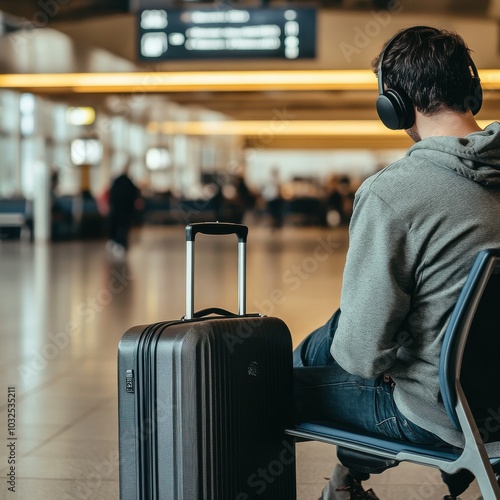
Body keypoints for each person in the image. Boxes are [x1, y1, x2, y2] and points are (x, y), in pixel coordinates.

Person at [293, 26, 500, 500]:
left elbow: (363, 356)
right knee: (336, 334)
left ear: (395, 105)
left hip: (442, 415)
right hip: (495, 397)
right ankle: (345, 483)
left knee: (268, 382)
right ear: (472, 90)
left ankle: (341, 485)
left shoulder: (393, 193)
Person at [107, 164, 140, 257]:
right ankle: (121, 245)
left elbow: (111, 195)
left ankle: (117, 243)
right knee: (123, 228)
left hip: (117, 210)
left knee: (117, 226)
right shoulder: (129, 183)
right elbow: (135, 195)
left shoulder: (116, 182)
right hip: (126, 211)